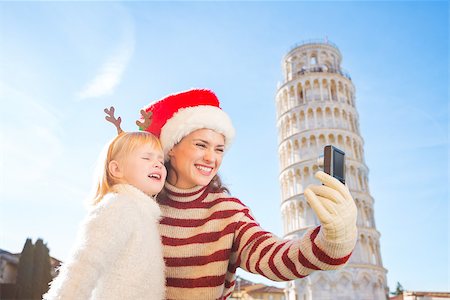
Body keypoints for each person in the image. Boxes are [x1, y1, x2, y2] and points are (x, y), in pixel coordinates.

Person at [140, 89, 357, 299]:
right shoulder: (138, 205)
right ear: (171, 148)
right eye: (201, 145)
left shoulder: (227, 211)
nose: (210, 158)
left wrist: (333, 240)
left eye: (219, 149)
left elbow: (272, 257)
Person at [44, 108, 166, 300]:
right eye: (147, 157)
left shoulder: (144, 214)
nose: (158, 164)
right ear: (116, 169)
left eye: (161, 160)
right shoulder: (119, 206)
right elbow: (84, 265)